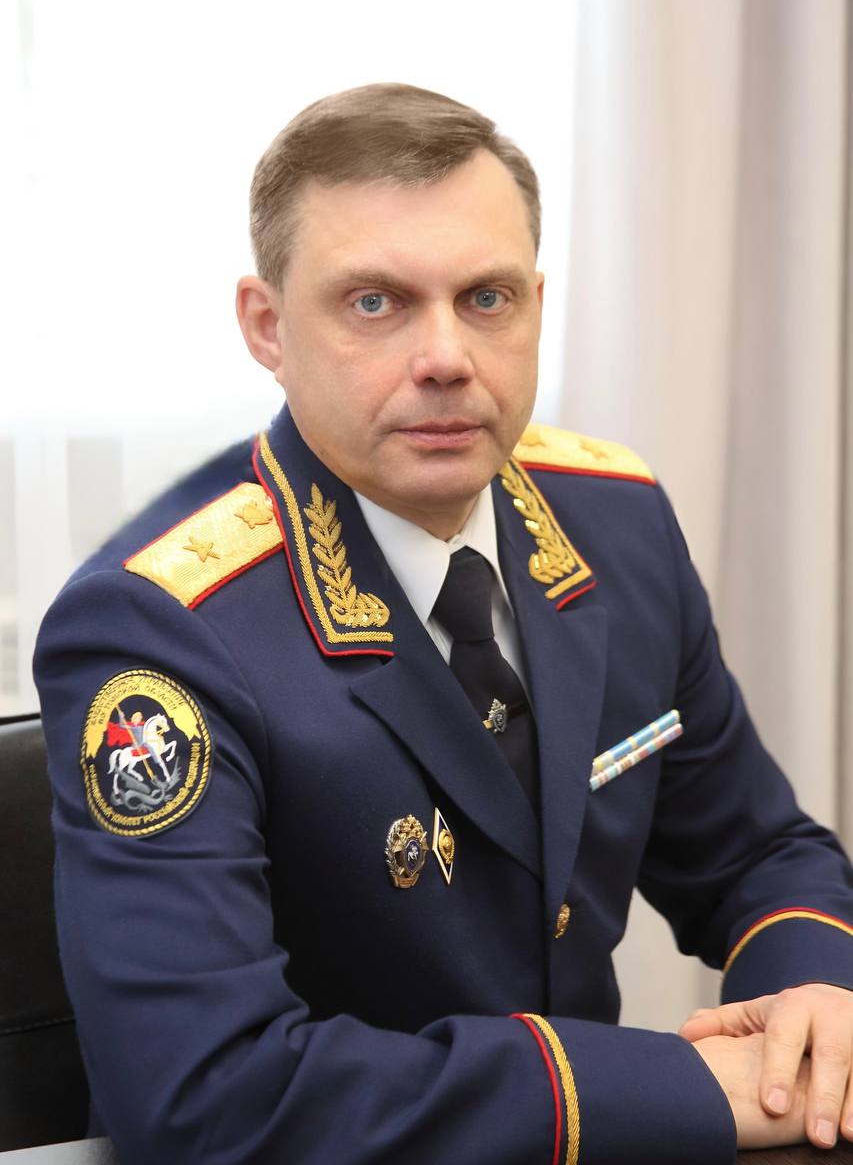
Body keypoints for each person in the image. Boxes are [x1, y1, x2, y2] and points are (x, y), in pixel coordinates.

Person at [34, 81, 853, 1164]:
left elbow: (756, 850)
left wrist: (812, 1004)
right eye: (375, 302)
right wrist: (681, 1085)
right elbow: (209, 1099)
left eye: (486, 298)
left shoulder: (613, 524)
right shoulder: (160, 631)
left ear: (536, 305)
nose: (446, 355)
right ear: (268, 327)